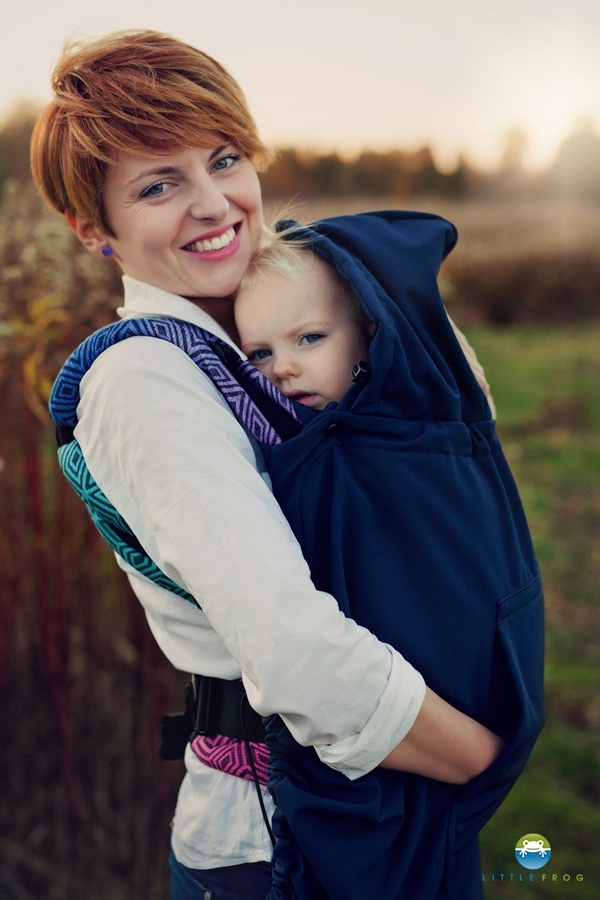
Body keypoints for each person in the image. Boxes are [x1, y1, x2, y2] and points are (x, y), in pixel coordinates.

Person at [30, 29, 541, 900]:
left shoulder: (282, 317)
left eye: (223, 158)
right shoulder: (144, 374)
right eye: (159, 185)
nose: (213, 202)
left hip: (391, 808)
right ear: (93, 230)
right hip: (285, 844)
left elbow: (455, 428)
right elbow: (296, 655)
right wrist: (486, 758)